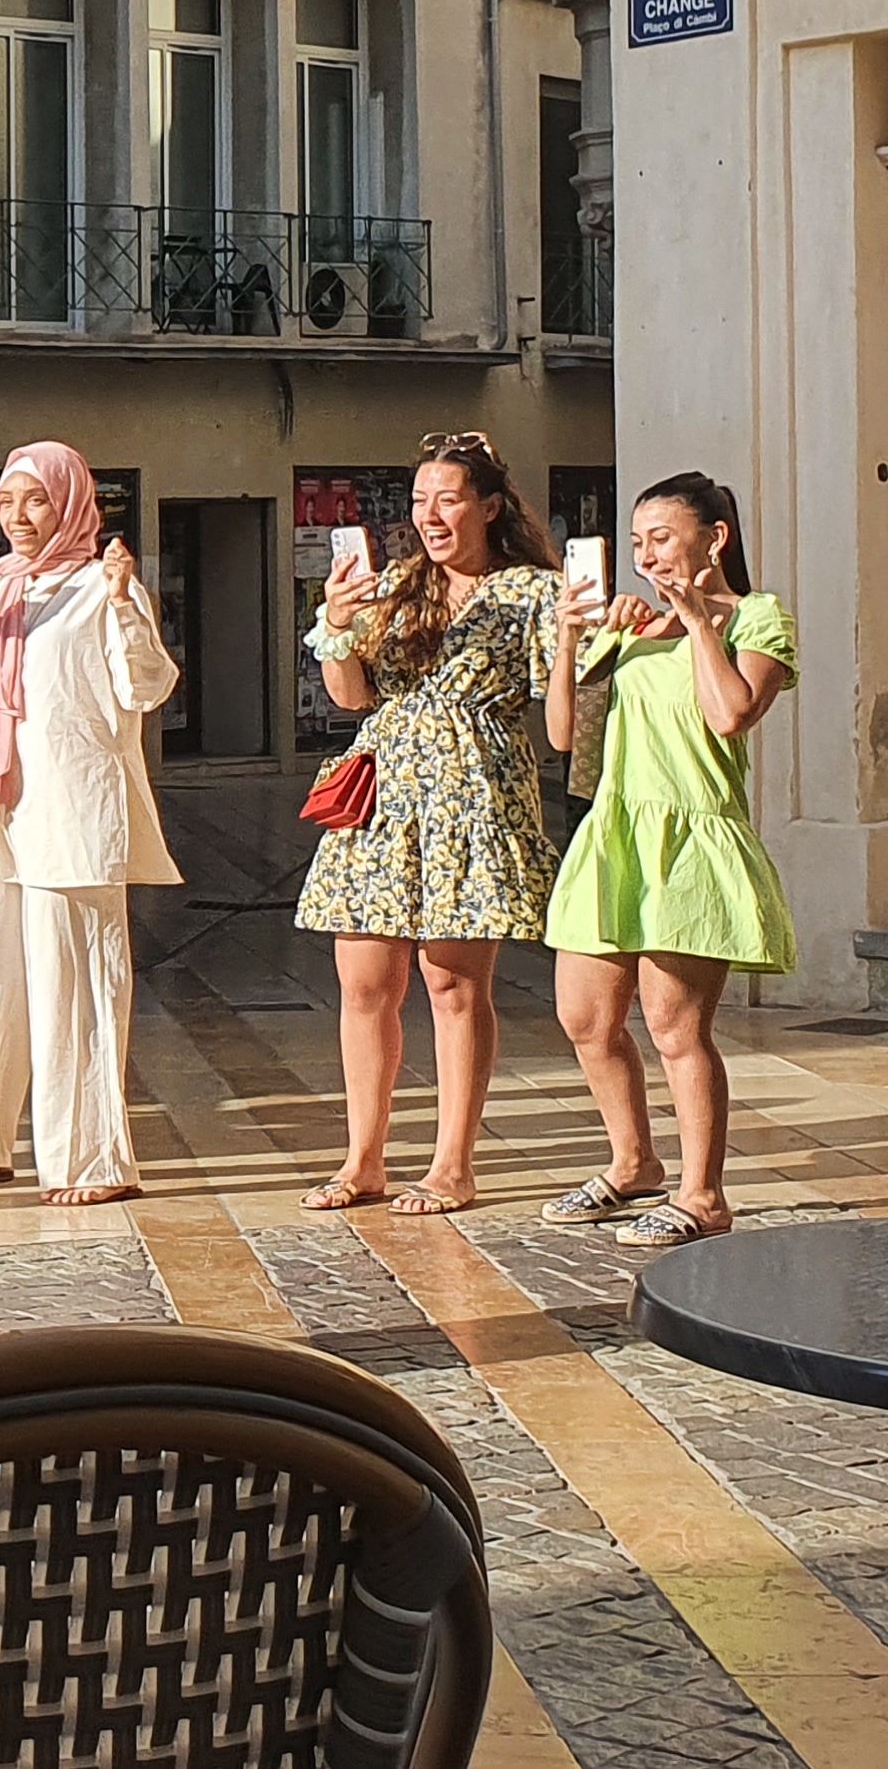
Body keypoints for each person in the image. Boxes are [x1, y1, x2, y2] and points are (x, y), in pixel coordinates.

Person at [293, 432, 561, 1218]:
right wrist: (337, 620)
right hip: (384, 792)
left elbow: (560, 701)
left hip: (473, 794)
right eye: (419, 501)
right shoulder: (397, 583)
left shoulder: (533, 592)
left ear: (490, 507)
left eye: (448, 499)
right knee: (364, 983)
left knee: (453, 983)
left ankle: (452, 1164)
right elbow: (351, 696)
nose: (430, 515)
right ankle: (363, 1158)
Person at [0, 441, 180, 1207]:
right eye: (7, 501)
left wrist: (125, 605)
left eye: (36, 500)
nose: (20, 517)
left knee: (78, 982)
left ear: (71, 502)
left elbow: (146, 686)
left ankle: (91, 1160)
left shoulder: (103, 587)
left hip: (71, 809)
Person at [538, 474, 796, 1247]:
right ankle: (632, 1162)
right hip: (615, 836)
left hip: (692, 843)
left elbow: (731, 713)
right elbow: (564, 737)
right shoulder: (629, 626)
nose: (646, 556)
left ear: (714, 539)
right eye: (638, 542)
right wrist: (571, 639)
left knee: (675, 1027)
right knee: (585, 1017)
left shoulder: (757, 616)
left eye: (661, 538)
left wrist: (694, 621)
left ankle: (703, 1195)